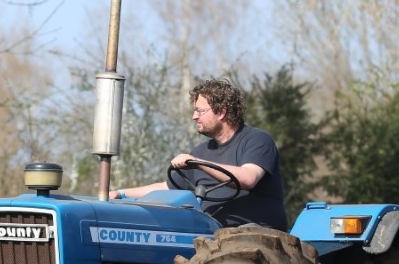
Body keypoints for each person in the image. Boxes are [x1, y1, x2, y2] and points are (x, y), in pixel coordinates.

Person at [115, 78, 287, 230]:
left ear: (221, 112)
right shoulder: (201, 151)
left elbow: (248, 178)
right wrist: (121, 193)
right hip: (210, 234)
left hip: (254, 234)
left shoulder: (257, 140)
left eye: (200, 111)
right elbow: (167, 188)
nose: (194, 116)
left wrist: (198, 163)